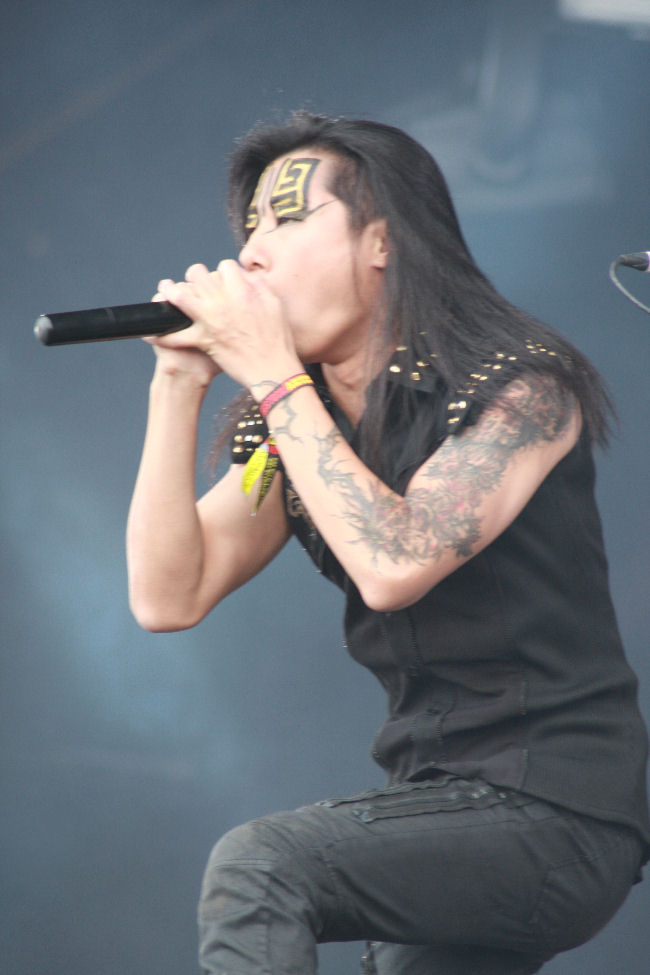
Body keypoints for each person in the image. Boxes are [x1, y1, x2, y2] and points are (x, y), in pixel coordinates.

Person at [126, 112, 649, 975]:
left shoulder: (521, 389)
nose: (251, 254)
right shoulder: (300, 427)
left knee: (262, 863)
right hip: (437, 802)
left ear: (381, 241)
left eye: (287, 221)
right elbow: (167, 595)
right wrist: (176, 383)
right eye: (248, 230)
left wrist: (271, 374)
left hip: (557, 808)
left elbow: (396, 563)